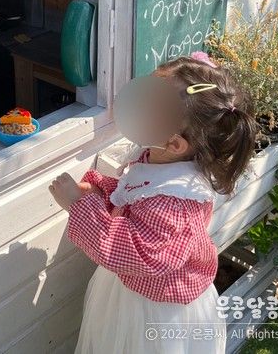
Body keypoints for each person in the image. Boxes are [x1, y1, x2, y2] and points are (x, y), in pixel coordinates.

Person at [49, 55, 257, 354]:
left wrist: (79, 208)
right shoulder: (162, 156)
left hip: (155, 312)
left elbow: (140, 253)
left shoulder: (177, 201)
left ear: (175, 143)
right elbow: (134, 199)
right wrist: (99, 192)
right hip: (134, 291)